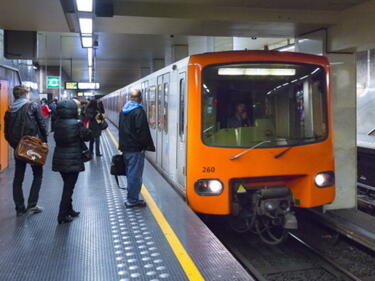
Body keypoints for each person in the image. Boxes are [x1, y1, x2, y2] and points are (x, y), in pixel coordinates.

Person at [4, 85, 48, 216]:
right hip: (33, 147)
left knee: (18, 178)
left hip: (19, 148)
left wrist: (15, 146)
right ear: (25, 94)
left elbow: (6, 132)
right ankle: (32, 205)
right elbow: (42, 125)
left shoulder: (9, 110)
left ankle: (19, 208)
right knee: (38, 175)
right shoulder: (33, 106)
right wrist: (44, 143)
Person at [52, 99, 92, 224]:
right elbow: (87, 136)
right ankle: (62, 216)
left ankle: (69, 210)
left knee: (68, 186)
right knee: (68, 189)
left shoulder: (57, 123)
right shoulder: (77, 123)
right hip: (73, 159)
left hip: (59, 158)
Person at [119, 89, 155, 208]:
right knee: (135, 175)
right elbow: (142, 131)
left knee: (131, 173)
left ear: (130, 98)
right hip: (135, 149)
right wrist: (143, 146)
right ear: (139, 98)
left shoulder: (124, 110)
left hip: (126, 148)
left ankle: (133, 198)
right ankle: (132, 200)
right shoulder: (138, 111)